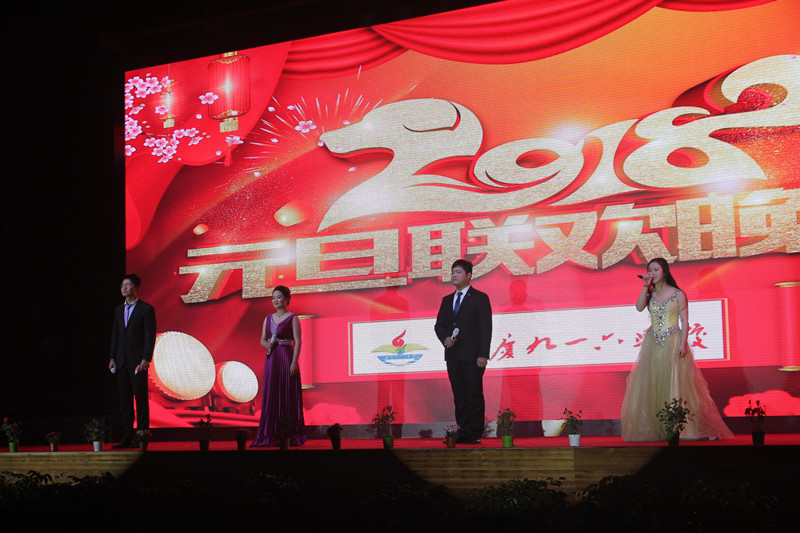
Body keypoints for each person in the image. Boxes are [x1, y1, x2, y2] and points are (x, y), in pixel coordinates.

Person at [621, 258, 733, 441]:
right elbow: (639, 307)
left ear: (664, 271)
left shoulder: (678, 294)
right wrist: (645, 286)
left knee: (675, 382)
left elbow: (685, 321)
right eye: (650, 270)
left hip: (673, 341)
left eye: (656, 269)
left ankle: (681, 427)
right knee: (652, 383)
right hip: (653, 343)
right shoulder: (650, 293)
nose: (653, 273)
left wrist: (683, 343)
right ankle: (658, 426)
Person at [434, 259, 492, 444]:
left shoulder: (479, 298)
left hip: (473, 356)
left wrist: (483, 354)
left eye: (458, 272)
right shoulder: (447, 300)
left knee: (473, 394)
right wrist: (445, 339)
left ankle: (475, 433)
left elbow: (485, 328)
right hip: (453, 356)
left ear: (468, 275)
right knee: (459, 395)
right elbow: (439, 325)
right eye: (453, 272)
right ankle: (463, 432)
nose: (454, 275)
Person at [251, 285, 306, 446]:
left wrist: (294, 362)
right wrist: (267, 345)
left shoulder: (292, 318)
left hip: (286, 357)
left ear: (287, 299)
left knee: (288, 393)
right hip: (272, 360)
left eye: (279, 297)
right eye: (273, 298)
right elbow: (262, 339)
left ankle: (289, 433)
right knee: (272, 393)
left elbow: (298, 341)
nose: (275, 300)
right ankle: (270, 432)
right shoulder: (268, 319)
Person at [109, 274, 156, 449]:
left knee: (141, 400)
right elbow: (116, 334)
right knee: (125, 402)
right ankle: (126, 437)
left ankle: (141, 435)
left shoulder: (146, 309)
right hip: (121, 361)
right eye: (122, 285)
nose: (124, 288)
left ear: (137, 288)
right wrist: (112, 357)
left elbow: (150, 335)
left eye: (128, 285)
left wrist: (146, 358)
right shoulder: (118, 310)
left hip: (138, 363)